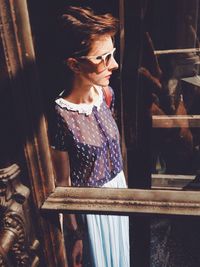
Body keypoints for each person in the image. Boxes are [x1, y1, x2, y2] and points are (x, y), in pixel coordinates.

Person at [51, 6, 130, 267]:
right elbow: (63, 183)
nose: (114, 65)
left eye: (113, 55)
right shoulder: (62, 115)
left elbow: (118, 150)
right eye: (103, 58)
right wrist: (76, 236)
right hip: (92, 211)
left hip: (120, 197)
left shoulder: (106, 96)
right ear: (74, 64)